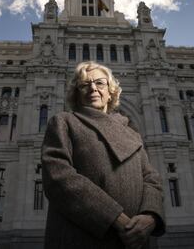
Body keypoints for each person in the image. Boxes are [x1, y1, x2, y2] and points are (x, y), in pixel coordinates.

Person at [41, 61, 165, 249]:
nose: (93, 88)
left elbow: (151, 178)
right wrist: (115, 218)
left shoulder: (131, 132)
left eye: (99, 83)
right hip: (82, 238)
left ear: (110, 92)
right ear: (77, 93)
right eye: (84, 84)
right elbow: (58, 177)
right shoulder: (63, 122)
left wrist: (150, 217)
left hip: (135, 240)